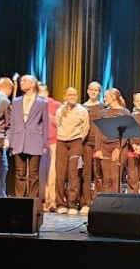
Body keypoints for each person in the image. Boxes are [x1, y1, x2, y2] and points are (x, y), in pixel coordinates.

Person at [9, 75, 49, 198]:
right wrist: (11, 142)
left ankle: (32, 201)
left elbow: (45, 124)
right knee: (20, 173)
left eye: (24, 80)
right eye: (21, 81)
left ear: (32, 83)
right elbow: (13, 123)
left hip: (35, 141)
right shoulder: (16, 102)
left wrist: (44, 144)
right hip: (18, 140)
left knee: (33, 174)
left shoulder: (42, 103)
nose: (21, 82)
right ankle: (19, 200)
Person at [54, 87, 89, 215]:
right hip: (61, 142)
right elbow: (58, 125)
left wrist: (78, 140)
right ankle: (60, 204)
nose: (73, 97)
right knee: (60, 173)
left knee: (73, 173)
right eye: (70, 95)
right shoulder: (60, 111)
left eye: (74, 94)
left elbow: (86, 128)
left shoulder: (82, 111)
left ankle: (72, 204)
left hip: (76, 142)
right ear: (65, 96)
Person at [94, 88, 131, 193]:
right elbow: (98, 132)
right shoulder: (102, 113)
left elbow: (126, 133)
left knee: (115, 177)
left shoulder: (124, 112)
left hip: (119, 147)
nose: (104, 99)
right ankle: (107, 202)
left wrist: (118, 148)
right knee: (107, 178)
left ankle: (116, 202)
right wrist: (98, 149)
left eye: (106, 96)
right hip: (104, 147)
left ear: (114, 97)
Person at [80, 82, 105, 215]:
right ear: (88, 91)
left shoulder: (103, 107)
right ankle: (86, 202)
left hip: (99, 143)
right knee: (86, 172)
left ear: (99, 93)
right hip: (86, 143)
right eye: (91, 89)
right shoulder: (82, 107)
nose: (93, 92)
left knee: (98, 172)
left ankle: (98, 201)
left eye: (96, 90)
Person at [39, 84, 62, 212]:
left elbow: (61, 122)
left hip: (53, 141)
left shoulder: (56, 105)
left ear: (46, 92)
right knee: (41, 172)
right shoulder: (35, 105)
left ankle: (52, 199)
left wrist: (51, 117)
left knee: (52, 172)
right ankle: (43, 200)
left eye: (41, 91)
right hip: (39, 142)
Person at [0, 76, 16, 197]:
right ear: (9, 89)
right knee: (2, 170)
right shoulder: (5, 101)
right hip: (0, 140)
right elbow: (9, 123)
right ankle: (0, 197)